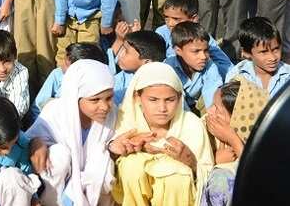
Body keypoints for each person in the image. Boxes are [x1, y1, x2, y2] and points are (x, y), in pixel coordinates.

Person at [109, 62, 214, 206]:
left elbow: (207, 175)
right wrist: (118, 150)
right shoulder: (124, 120)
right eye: (153, 100)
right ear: (137, 97)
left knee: (177, 175)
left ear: (179, 98)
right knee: (131, 165)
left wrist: (191, 162)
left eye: (170, 100)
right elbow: (103, 167)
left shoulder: (191, 125)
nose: (162, 108)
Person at [27, 59, 117, 206]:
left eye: (109, 98)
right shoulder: (55, 111)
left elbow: (116, 142)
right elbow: (28, 139)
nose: (105, 106)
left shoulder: (113, 114)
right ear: (75, 97)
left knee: (103, 162)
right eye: (95, 100)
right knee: (58, 156)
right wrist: (37, 142)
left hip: (92, 185)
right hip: (58, 186)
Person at [200, 79, 267, 206]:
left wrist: (234, 141)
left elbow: (258, 181)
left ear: (237, 119)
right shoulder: (203, 127)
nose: (209, 111)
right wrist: (213, 160)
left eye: (217, 108)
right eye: (212, 105)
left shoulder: (268, 145)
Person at [156, 0, 232, 78]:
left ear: (194, 19)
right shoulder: (162, 33)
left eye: (176, 19)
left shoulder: (200, 37)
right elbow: (152, 61)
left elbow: (225, 64)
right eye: (166, 18)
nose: (170, 23)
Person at [32, 42, 107, 117]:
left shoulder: (97, 85)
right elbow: (38, 106)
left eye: (67, 64)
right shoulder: (58, 74)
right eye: (63, 60)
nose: (62, 64)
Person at [165, 22, 223, 112]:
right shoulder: (168, 68)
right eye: (196, 51)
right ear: (178, 50)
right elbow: (178, 102)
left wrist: (212, 114)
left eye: (206, 50)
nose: (203, 56)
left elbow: (212, 91)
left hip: (197, 105)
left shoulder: (209, 65)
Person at [225, 17, 290, 97]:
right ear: (246, 53)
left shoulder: (287, 75)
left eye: (275, 49)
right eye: (263, 52)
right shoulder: (237, 76)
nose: (273, 58)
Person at [114, 31, 167, 105]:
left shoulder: (167, 82)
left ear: (147, 63)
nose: (120, 54)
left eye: (126, 51)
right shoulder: (120, 79)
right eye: (121, 48)